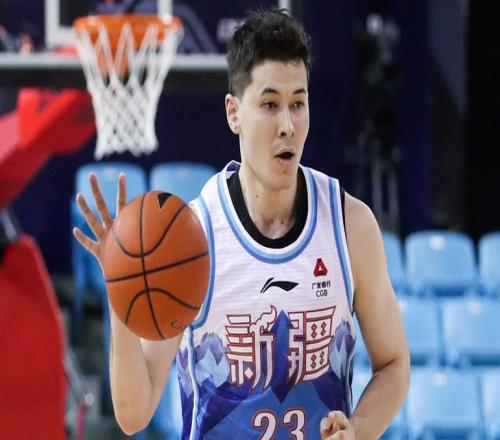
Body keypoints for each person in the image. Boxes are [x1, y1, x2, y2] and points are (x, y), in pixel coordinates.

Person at [73, 8, 409, 440]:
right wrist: (122, 290)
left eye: (298, 104)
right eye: (270, 105)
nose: (287, 125)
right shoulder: (193, 237)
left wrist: (358, 430)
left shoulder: (350, 225)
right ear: (234, 113)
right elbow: (133, 413)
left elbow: (394, 364)